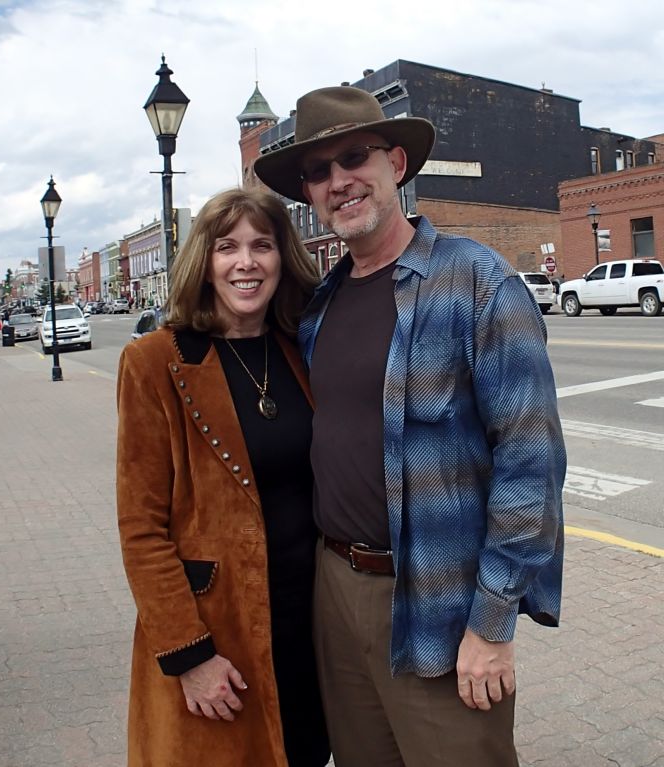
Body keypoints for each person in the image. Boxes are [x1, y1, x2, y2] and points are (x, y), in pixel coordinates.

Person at [253, 86, 567, 766]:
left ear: (397, 163)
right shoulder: (320, 308)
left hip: (441, 603)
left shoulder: (479, 283)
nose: (339, 181)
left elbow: (531, 462)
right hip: (334, 594)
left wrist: (491, 622)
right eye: (319, 170)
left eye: (354, 157)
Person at [116, 188, 329, 766]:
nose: (246, 262)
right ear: (203, 263)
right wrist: (190, 656)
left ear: (283, 259)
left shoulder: (298, 349)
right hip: (218, 632)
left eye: (263, 245)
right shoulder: (155, 362)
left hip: (306, 626)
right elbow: (141, 530)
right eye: (227, 247)